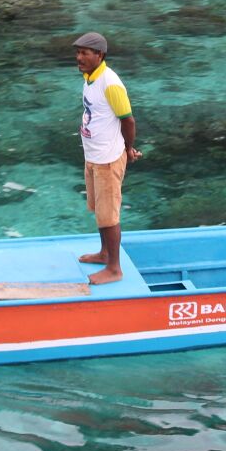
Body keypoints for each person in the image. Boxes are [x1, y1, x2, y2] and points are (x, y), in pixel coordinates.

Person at [72, 31, 140, 284]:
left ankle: (114, 268)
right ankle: (103, 254)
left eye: (85, 53)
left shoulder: (110, 83)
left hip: (108, 159)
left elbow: (128, 119)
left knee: (109, 216)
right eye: (78, 52)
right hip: (93, 156)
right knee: (99, 210)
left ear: (99, 55)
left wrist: (129, 148)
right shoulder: (89, 78)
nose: (79, 57)